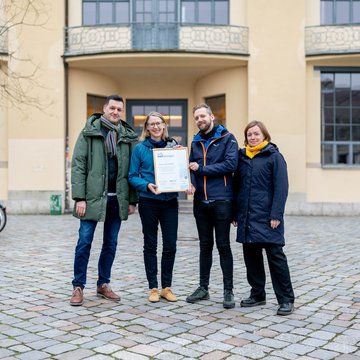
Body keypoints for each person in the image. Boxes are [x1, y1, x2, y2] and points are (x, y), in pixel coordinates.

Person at [70, 94, 138, 306]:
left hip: (116, 199)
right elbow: (79, 165)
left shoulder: (126, 136)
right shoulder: (89, 132)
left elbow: (132, 170)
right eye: (112, 108)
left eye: (119, 109)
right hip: (91, 199)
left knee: (111, 243)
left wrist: (132, 200)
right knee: (84, 242)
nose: (116, 112)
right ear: (104, 109)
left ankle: (103, 284)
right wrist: (79, 197)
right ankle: (78, 286)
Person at [233, 120, 295, 315]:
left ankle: (286, 299)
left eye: (256, 134)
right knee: (252, 259)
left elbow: (282, 188)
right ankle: (258, 294)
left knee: (276, 258)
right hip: (247, 217)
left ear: (264, 136)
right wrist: (235, 213)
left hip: (268, 218)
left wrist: (276, 214)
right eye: (249, 134)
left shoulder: (274, 157)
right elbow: (236, 187)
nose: (252, 137)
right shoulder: (242, 158)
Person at [186, 103, 238, 309]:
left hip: (222, 201)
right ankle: (203, 288)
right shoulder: (195, 142)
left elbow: (230, 165)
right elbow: (190, 166)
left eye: (202, 116)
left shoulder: (227, 138)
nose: (200, 120)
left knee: (223, 246)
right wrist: (190, 181)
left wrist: (202, 169)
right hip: (200, 202)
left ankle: (228, 290)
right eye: (196, 118)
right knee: (205, 246)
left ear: (212, 117)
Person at [128, 111, 179, 303]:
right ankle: (153, 288)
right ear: (147, 128)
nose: (156, 127)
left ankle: (167, 287)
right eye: (152, 124)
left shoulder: (174, 147)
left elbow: (181, 170)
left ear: (164, 125)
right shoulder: (140, 149)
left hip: (170, 202)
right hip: (149, 201)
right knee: (150, 245)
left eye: (159, 123)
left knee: (170, 245)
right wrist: (146, 185)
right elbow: (132, 176)